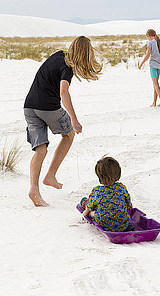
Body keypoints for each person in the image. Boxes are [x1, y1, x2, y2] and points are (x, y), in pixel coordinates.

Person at [24, 36, 102, 206]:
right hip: (48, 107)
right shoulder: (67, 69)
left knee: (41, 150)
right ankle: (50, 175)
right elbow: (63, 92)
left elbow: (53, 73)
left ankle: (34, 189)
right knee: (69, 134)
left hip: (29, 106)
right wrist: (74, 119)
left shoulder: (58, 55)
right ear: (85, 53)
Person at [81, 156, 135, 232]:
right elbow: (128, 201)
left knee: (88, 204)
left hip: (104, 222)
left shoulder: (98, 191)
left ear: (99, 176)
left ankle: (84, 204)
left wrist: (85, 214)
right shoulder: (121, 187)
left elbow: (90, 206)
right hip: (123, 224)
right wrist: (129, 205)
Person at [138, 29, 160, 107]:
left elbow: (148, 55)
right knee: (156, 84)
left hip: (153, 65)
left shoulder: (150, 43)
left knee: (155, 84)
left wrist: (141, 63)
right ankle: (154, 102)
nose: (147, 38)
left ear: (149, 36)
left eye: (147, 37)